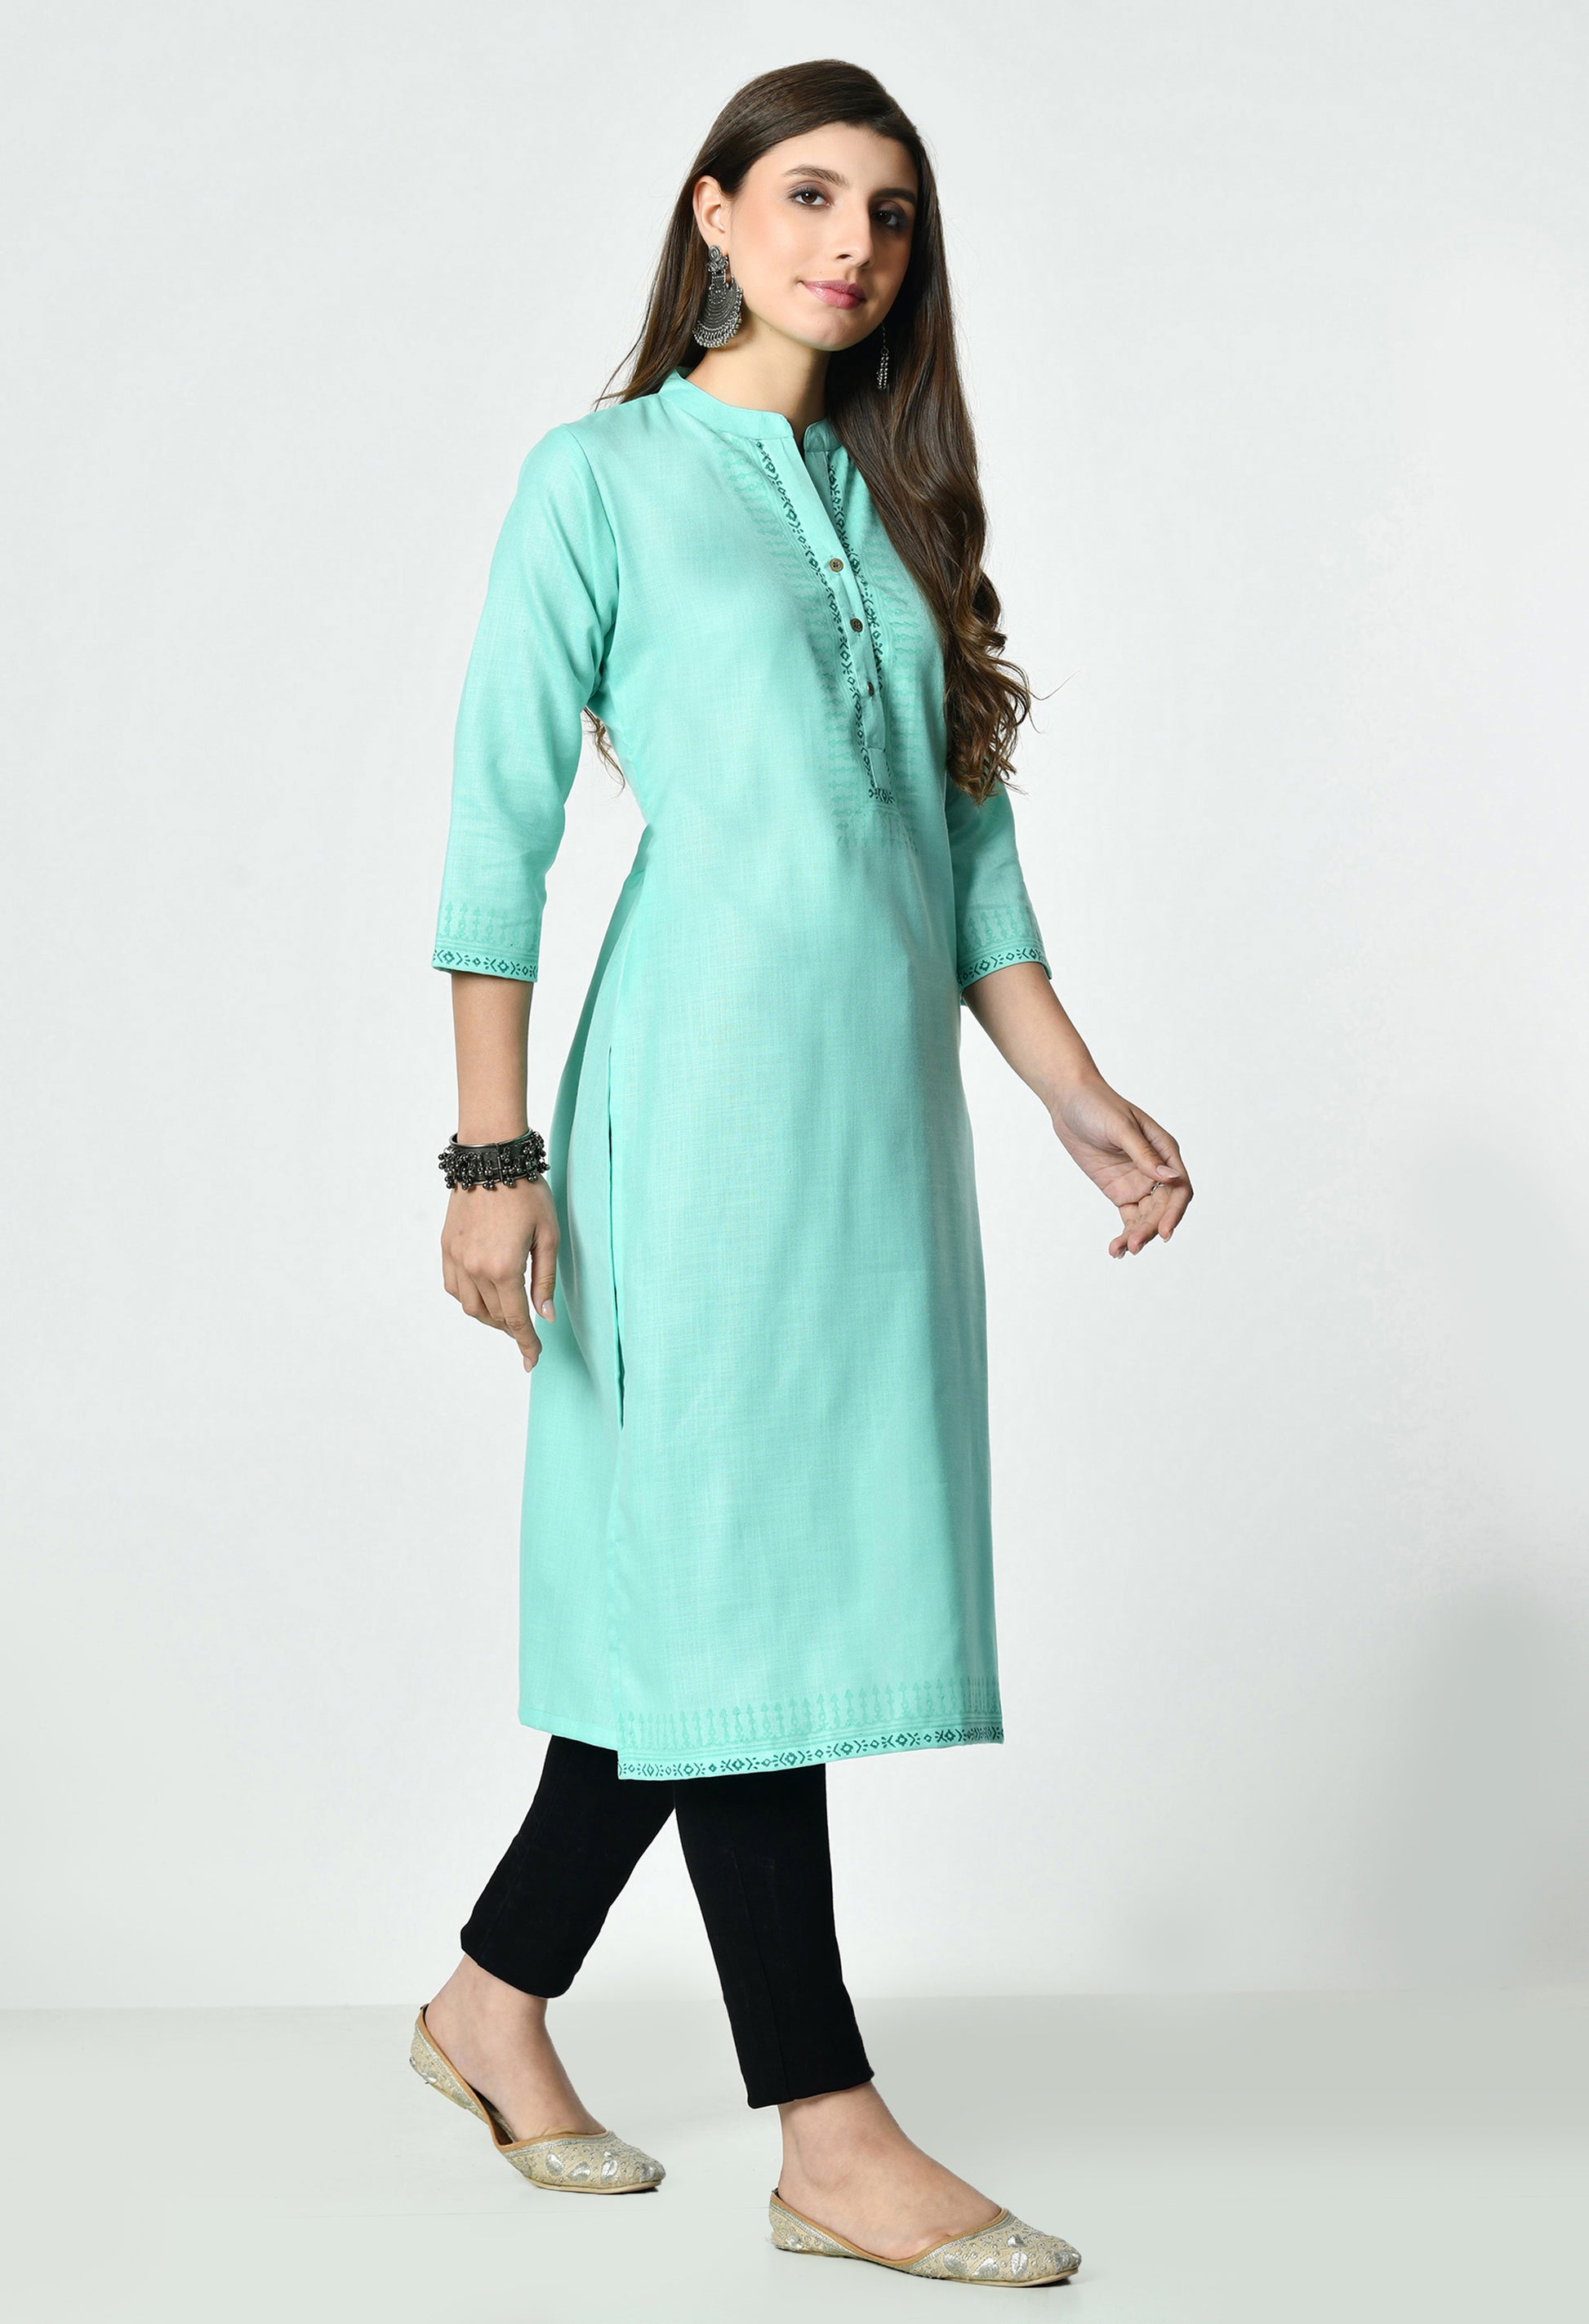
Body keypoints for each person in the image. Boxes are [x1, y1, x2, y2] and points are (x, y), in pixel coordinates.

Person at [411, 58, 1191, 2288]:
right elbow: (495, 832)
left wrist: (1072, 1092)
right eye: (813, 195)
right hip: (691, 1114)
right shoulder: (599, 480)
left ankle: (487, 2006)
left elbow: (965, 856)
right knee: (730, 1587)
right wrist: (491, 1151)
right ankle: (828, 2135)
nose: (852, 244)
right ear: (715, 214)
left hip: (873, 1129)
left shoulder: (895, 502)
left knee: (724, 1585)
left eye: (893, 214)